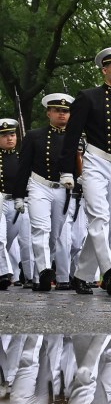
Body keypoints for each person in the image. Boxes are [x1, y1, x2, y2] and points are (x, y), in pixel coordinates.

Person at [58, 47, 111, 295]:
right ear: (104, 70)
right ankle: (110, 270)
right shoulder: (88, 97)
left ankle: (81, 276)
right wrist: (66, 171)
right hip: (95, 162)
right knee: (99, 218)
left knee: (104, 223)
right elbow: (71, 137)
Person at [14, 93, 74, 292]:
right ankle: (44, 272)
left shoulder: (76, 138)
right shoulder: (34, 136)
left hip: (63, 190)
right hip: (39, 186)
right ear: (49, 112)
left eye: (65, 111)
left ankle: (44, 269)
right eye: (57, 110)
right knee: (41, 230)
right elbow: (23, 167)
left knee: (54, 236)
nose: (62, 114)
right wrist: (19, 195)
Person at [0, 118, 22, 290]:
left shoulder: (21, 157)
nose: (10, 138)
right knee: (0, 239)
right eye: (5, 136)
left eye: (12, 135)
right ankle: (4, 274)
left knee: (10, 240)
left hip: (16, 203)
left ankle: (12, 273)